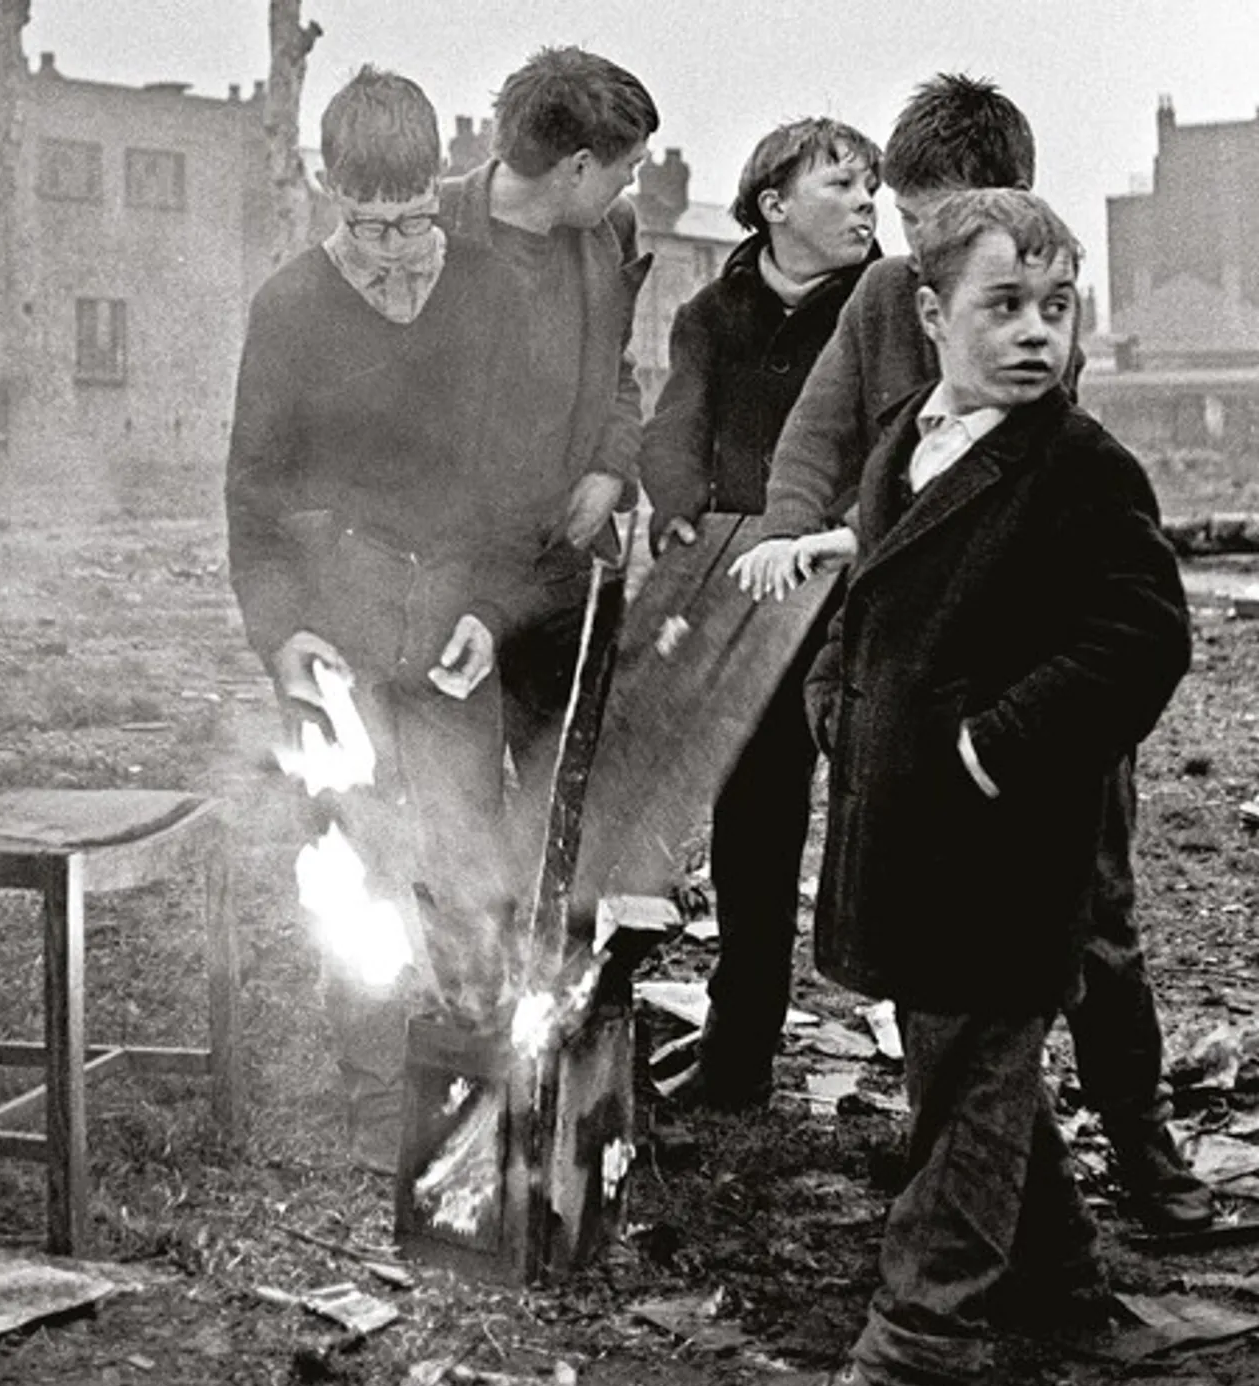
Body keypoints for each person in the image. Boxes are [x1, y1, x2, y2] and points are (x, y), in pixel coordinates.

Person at [730, 74, 1212, 1233]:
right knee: (933, 937)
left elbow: (1055, 539)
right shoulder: (890, 295)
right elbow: (819, 438)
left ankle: (1140, 1151)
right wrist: (801, 552)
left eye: (946, 218)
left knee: (1090, 924)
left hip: (1034, 709)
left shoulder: (1023, 319)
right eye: (908, 224)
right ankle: (970, 1163)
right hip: (919, 693)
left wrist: (1006, 731)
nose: (921, 246)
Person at [225, 67, 525, 1172]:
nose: (395, 250)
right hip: (336, 636)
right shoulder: (289, 308)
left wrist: (491, 609)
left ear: (437, 192)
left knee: (458, 855)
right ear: (323, 190)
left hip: (454, 634)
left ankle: (462, 1087)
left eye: (412, 222)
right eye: (367, 224)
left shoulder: (490, 298)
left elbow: (516, 490)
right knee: (349, 862)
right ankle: (365, 1097)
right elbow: (252, 499)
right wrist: (282, 635)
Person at [636, 117, 881, 1108]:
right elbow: (672, 434)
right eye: (842, 186)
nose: (868, 202)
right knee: (753, 824)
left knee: (887, 830)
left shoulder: (887, 305)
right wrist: (679, 511)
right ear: (775, 206)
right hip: (748, 601)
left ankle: (940, 1066)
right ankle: (738, 1053)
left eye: (871, 186)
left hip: (861, 594)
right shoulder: (710, 314)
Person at [439, 46, 658, 793]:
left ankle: (553, 919)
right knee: (455, 815)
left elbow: (619, 373)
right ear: (577, 166)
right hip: (449, 579)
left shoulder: (609, 230)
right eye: (627, 166)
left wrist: (609, 465)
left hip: (565, 571)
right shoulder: (424, 234)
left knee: (563, 797)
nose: (631, 183)